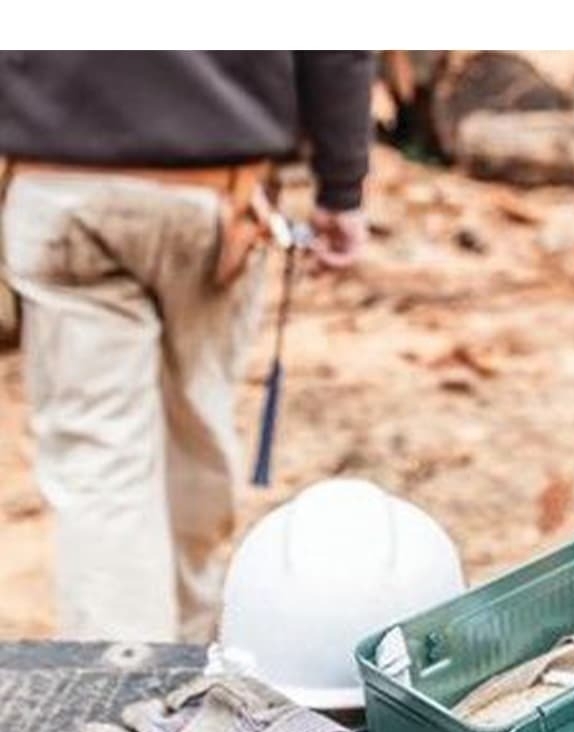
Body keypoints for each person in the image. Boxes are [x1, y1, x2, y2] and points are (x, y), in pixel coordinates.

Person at [0, 51, 375, 642]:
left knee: (100, 454)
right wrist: (342, 187)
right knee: (196, 431)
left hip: (61, 182)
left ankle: (124, 677)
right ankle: (192, 670)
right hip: (215, 193)